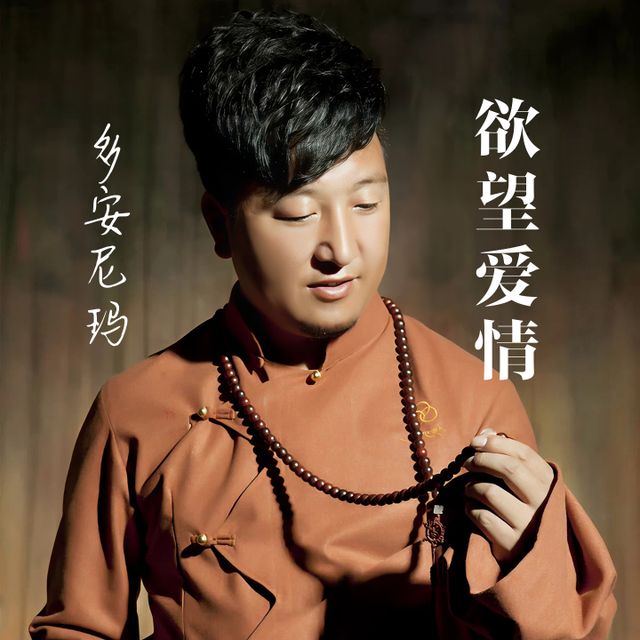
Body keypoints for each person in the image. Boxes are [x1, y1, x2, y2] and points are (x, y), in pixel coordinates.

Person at [30, 9, 616, 639]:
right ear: (219, 224)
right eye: (297, 214)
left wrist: (533, 565)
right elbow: (78, 628)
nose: (340, 249)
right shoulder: (137, 414)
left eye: (366, 202)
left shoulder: (474, 403)